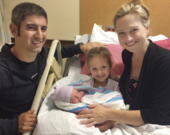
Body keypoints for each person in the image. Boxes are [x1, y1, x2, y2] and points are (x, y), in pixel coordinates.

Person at [77, 0, 170, 132]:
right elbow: (134, 96)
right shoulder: (127, 54)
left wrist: (110, 114)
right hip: (134, 118)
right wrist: (113, 119)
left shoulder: (166, 61)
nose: (128, 39)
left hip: (166, 124)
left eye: (134, 30)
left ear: (147, 28)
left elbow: (157, 114)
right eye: (121, 33)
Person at [0, 2, 102, 135]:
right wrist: (13, 125)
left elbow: (60, 51)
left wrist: (81, 47)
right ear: (14, 30)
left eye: (43, 28)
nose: (39, 35)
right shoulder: (3, 71)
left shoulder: (41, 53)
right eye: (31, 28)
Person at [52, 85, 125, 113]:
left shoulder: (81, 93)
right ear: (68, 103)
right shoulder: (77, 106)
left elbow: (92, 90)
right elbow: (85, 110)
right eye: (74, 98)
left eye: (77, 92)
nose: (78, 96)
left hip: (112, 97)